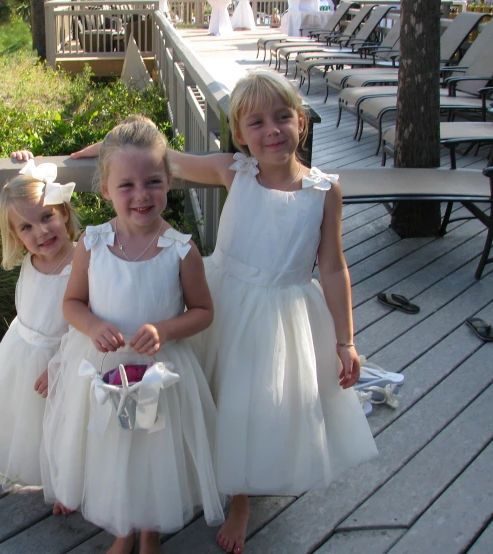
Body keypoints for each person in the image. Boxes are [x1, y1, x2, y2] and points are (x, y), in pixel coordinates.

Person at [72, 71, 378, 553]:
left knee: (253, 403)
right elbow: (161, 158)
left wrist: (346, 341)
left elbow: (334, 267)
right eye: (255, 123)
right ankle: (194, 476)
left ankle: (241, 498)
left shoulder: (323, 191)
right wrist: (106, 147)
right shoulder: (234, 170)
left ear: (302, 121)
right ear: (240, 135)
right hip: (225, 297)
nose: (271, 130)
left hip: (283, 310)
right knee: (206, 392)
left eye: (282, 118)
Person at [42, 116, 224, 554]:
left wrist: (165, 328)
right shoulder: (92, 243)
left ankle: (150, 533)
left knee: (154, 454)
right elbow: (71, 304)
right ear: (105, 188)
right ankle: (124, 530)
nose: (141, 195)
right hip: (104, 369)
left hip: (162, 373)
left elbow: (203, 312)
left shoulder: (181, 249)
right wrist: (92, 325)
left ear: (169, 183)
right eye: (126, 185)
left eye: (153, 182)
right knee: (114, 452)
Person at [0, 151, 79, 509]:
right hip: (20, 354)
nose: (40, 231)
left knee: (65, 428)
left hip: (61, 360)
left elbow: (86, 322)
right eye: (26, 227)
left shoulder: (83, 262)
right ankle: (49, 482)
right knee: (32, 428)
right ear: (15, 236)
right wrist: (26, 158)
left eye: (47, 217)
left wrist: (61, 366)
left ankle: (66, 488)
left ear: (64, 212)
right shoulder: (30, 262)